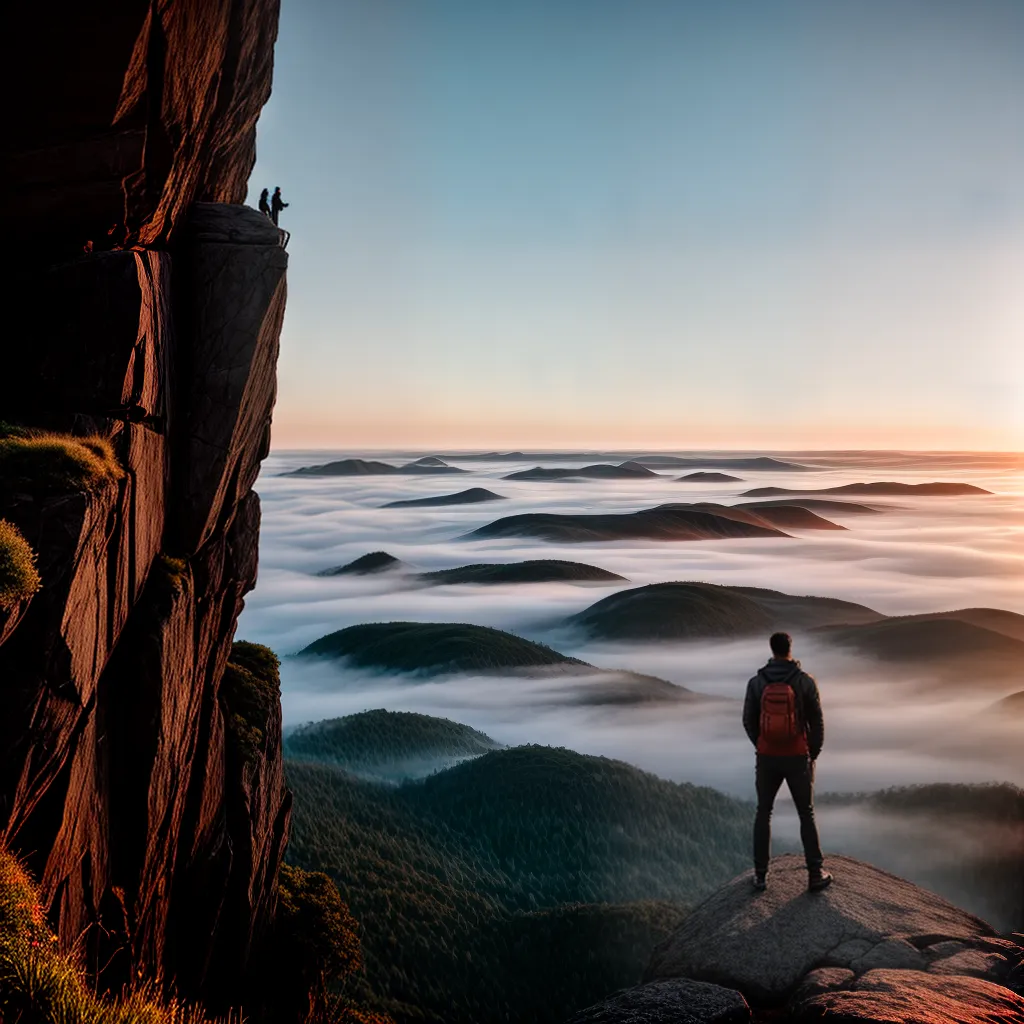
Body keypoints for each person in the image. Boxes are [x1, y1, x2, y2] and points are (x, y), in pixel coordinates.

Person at [743, 631, 832, 892]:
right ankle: (815, 873)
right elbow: (817, 722)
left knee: (763, 812)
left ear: (772, 650)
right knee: (806, 813)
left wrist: (762, 745)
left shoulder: (756, 683)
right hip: (797, 756)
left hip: (767, 757)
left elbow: (748, 720)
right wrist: (811, 753)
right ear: (790, 649)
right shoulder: (805, 682)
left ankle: (760, 876)